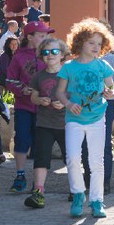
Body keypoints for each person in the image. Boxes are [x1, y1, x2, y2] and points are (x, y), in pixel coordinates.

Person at [56, 18, 114, 219]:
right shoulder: (68, 67)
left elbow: (111, 88)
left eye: (99, 44)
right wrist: (68, 103)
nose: (96, 47)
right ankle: (78, 194)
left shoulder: (103, 66)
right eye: (91, 43)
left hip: (97, 118)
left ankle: (97, 201)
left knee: (96, 161)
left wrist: (110, 93)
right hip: (74, 119)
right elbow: (60, 93)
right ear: (80, 42)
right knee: (72, 158)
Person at [5, 20, 54, 193]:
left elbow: (58, 75)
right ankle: (20, 175)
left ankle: (38, 183)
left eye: (47, 35)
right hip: (24, 107)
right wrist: (22, 89)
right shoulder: (18, 57)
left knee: (41, 144)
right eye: (42, 35)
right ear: (30, 37)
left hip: (44, 109)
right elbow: (9, 80)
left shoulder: (50, 54)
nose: (45, 38)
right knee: (22, 140)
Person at [81, 20, 114, 195]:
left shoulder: (112, 59)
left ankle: (104, 182)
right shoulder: (81, 59)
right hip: (85, 106)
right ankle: (88, 178)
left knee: (105, 144)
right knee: (85, 144)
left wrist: (108, 87)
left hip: (105, 106)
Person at [24, 37, 68, 209]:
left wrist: (63, 102)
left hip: (66, 124)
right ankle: (39, 192)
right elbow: (33, 96)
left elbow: (76, 95)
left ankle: (75, 190)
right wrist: (40, 99)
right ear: (41, 56)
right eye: (46, 52)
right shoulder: (39, 76)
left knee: (70, 159)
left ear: (62, 55)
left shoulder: (68, 73)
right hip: (44, 123)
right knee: (41, 158)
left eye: (55, 52)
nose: (50, 55)